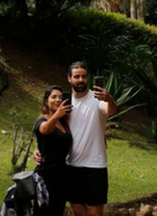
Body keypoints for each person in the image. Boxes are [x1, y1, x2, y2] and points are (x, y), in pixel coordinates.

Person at [35, 62, 118, 216]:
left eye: (84, 76)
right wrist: (40, 149)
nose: (81, 80)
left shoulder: (97, 99)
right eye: (77, 76)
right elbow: (52, 131)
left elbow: (111, 110)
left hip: (95, 165)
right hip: (71, 165)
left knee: (95, 213)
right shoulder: (65, 104)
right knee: (78, 211)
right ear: (69, 79)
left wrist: (109, 99)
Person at [33, 85, 72, 216]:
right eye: (53, 97)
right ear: (46, 101)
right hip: (46, 176)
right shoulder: (42, 120)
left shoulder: (64, 122)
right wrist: (56, 115)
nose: (57, 100)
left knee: (58, 211)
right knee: (43, 212)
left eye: (60, 97)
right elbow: (45, 130)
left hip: (62, 175)